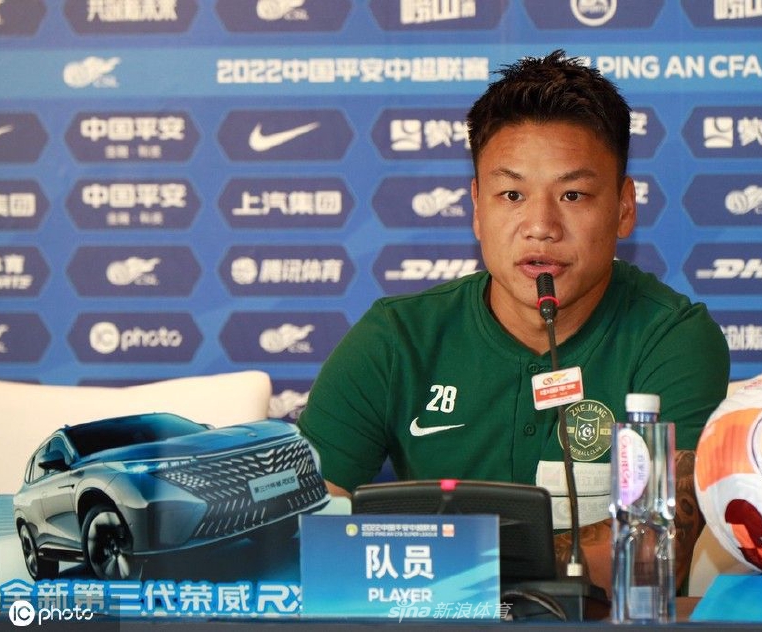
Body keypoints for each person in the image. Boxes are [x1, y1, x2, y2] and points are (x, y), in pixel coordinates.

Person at [297, 49, 730, 596]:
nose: (541, 226)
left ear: (624, 208)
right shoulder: (396, 338)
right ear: (477, 208)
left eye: (573, 194)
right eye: (512, 194)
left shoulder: (672, 338)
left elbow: (650, 550)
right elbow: (306, 527)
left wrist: (441, 554)